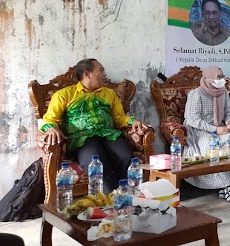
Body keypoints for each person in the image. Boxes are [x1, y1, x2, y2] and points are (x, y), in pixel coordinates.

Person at [40, 59, 150, 193]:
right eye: (101, 70)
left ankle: (134, 196)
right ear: (87, 74)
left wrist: (133, 121)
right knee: (96, 160)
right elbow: (49, 119)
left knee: (126, 157)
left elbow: (119, 117)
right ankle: (111, 199)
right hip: (82, 138)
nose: (105, 74)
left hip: (108, 134)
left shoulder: (109, 94)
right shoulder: (64, 95)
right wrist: (51, 128)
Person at [183, 66, 230, 201]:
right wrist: (214, 129)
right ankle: (226, 187)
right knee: (212, 149)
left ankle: (225, 186)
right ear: (208, 78)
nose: (222, 80)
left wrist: (228, 122)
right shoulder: (196, 94)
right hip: (200, 131)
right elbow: (192, 119)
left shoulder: (223, 93)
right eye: (218, 77)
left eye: (222, 76)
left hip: (220, 129)